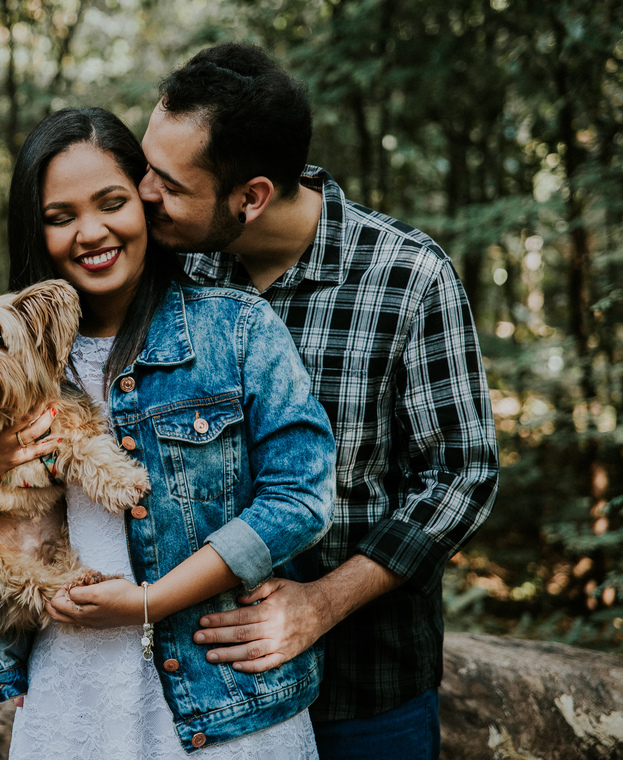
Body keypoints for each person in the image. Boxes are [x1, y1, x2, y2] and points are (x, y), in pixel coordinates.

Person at [0, 106, 336, 758]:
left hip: (223, 695)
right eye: (61, 217)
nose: (91, 232)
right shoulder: (5, 352)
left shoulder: (235, 330)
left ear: (146, 201)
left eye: (112, 203)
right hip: (72, 688)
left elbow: (300, 499)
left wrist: (149, 601)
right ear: (37, 229)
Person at [135, 43, 500, 759]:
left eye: (169, 184)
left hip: (366, 689)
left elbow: (461, 479)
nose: (145, 193)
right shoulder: (171, 268)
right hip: (208, 691)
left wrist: (321, 604)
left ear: (253, 196)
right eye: (146, 165)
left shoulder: (408, 278)